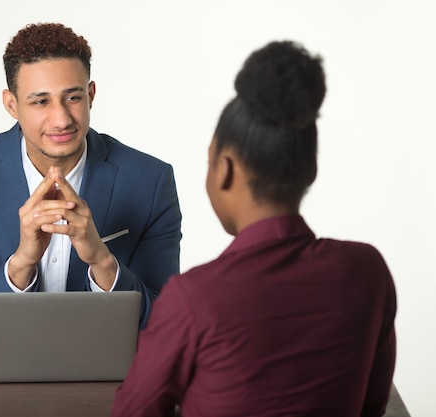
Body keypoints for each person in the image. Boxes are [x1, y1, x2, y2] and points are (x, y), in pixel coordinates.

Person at [111, 41, 396, 417]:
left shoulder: (195, 298)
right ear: (310, 168)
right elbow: (372, 406)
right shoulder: (368, 271)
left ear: (224, 168)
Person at [0, 23, 182, 353]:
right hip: (1, 382)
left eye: (72, 97)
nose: (61, 119)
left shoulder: (150, 181)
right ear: (11, 105)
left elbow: (167, 327)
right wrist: (21, 264)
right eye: (40, 102)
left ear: (90, 95)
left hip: (109, 384)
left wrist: (102, 263)